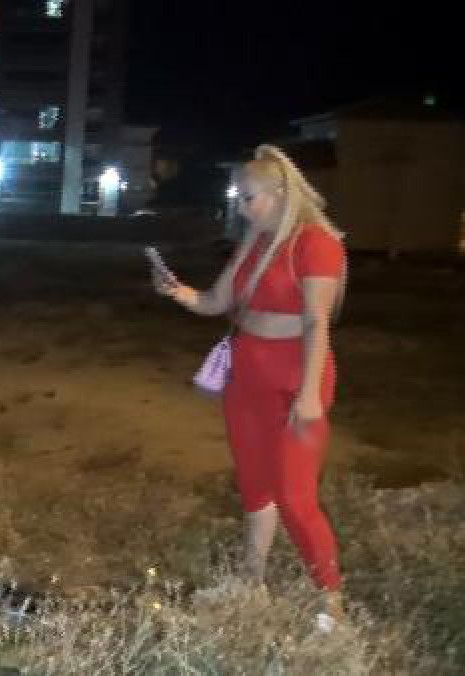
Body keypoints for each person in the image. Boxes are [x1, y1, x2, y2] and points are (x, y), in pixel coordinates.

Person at [151, 144, 348, 628]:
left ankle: (332, 605)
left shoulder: (316, 244)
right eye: (237, 197)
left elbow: (317, 322)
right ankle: (250, 585)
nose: (240, 208)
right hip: (248, 378)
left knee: (296, 497)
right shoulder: (257, 242)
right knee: (256, 488)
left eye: (247, 198)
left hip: (296, 378)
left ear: (280, 194)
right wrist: (177, 291)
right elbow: (216, 302)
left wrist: (308, 395)